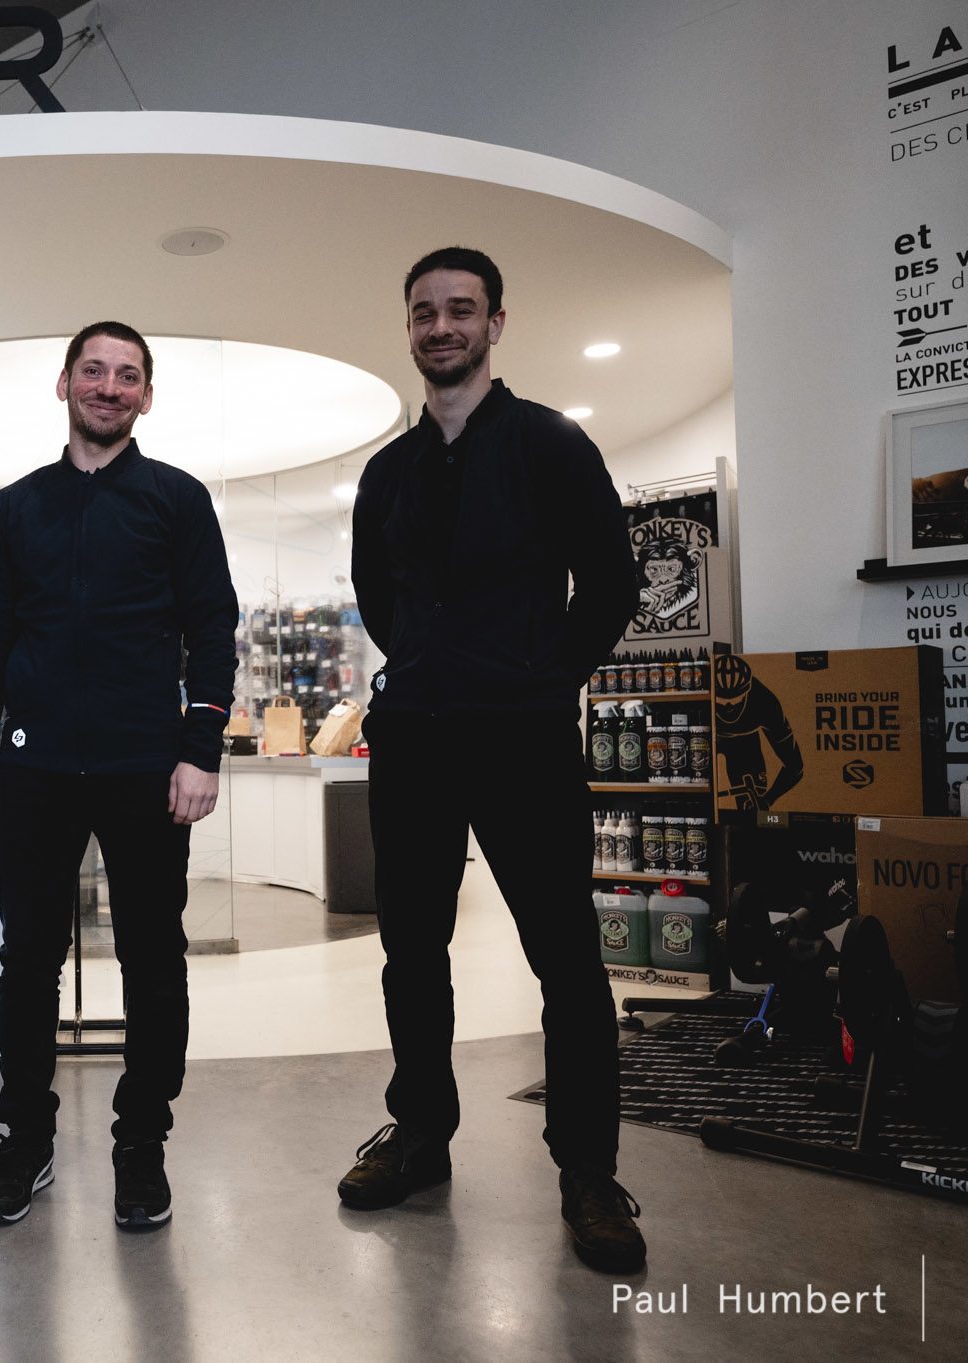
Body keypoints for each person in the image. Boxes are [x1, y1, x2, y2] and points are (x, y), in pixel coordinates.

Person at [342, 247, 645, 1272]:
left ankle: (588, 1170)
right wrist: (426, 666)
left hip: (523, 738)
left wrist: (541, 673)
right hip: (415, 740)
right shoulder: (386, 472)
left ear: (495, 323)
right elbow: (378, 598)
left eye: (459, 309)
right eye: (424, 311)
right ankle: (421, 1135)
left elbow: (610, 582)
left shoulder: (552, 444)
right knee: (411, 951)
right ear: (409, 327)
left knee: (565, 956)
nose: (441, 327)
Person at [0, 322, 237, 1228]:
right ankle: (25, 1140)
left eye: (127, 375)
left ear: (146, 395)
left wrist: (201, 746)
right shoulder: (16, 508)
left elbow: (214, 630)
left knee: (153, 960)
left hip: (147, 769)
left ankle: (141, 1143)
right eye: (94, 370)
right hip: (34, 769)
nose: (108, 387)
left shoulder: (178, 500)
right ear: (64, 383)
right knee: (27, 962)